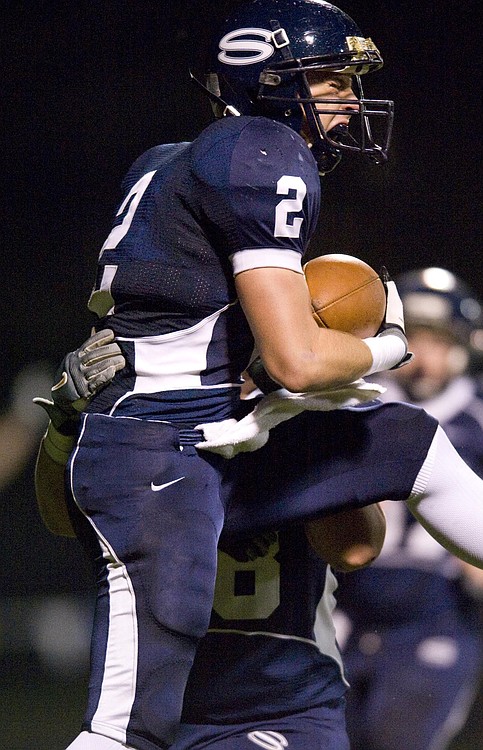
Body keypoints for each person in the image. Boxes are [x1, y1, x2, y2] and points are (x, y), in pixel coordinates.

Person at [33, 2, 483, 749]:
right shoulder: (261, 149)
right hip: (168, 446)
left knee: (406, 439)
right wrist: (383, 348)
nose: (347, 100)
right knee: (123, 731)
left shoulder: (164, 160)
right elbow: (298, 360)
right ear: (273, 81)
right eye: (332, 79)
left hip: (207, 432)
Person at [334, 267, 483, 750]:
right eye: (414, 341)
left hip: (435, 617)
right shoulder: (355, 407)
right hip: (345, 608)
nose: (425, 359)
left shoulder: (476, 421)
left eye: (437, 342)